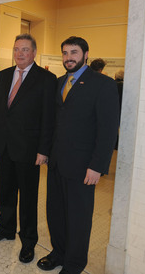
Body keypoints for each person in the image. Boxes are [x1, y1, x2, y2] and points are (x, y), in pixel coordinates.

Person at [37, 36, 119, 274]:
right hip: (57, 162)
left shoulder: (102, 84)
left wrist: (98, 166)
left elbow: (107, 129)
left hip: (84, 166)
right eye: (64, 53)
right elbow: (53, 122)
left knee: (78, 217)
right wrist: (45, 152)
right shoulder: (60, 81)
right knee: (56, 212)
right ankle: (59, 252)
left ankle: (74, 264)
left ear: (85, 55)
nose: (68, 57)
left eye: (73, 52)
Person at [0, 33, 57, 264]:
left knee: (27, 197)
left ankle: (28, 241)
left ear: (34, 52)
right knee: (5, 191)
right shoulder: (4, 75)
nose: (20, 53)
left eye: (25, 49)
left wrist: (44, 150)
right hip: (4, 145)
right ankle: (5, 228)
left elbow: (48, 117)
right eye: (16, 49)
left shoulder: (46, 78)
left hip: (29, 149)